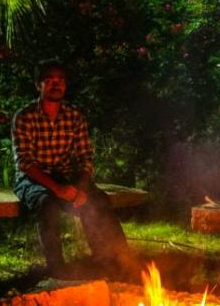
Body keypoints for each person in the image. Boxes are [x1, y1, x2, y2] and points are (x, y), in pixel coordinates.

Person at [12, 59, 137, 277]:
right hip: (32, 178)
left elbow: (85, 157)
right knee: (47, 204)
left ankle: (117, 260)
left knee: (98, 200)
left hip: (63, 175)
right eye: (50, 80)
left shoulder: (74, 116)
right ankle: (57, 270)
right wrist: (57, 189)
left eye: (60, 80)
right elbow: (25, 163)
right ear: (38, 85)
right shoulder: (24, 117)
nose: (56, 85)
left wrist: (81, 188)